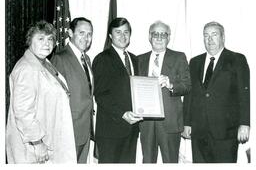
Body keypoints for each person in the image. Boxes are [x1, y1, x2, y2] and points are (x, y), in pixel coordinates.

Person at [6, 20, 76, 163]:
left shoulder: (44, 62)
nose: (47, 43)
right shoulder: (26, 69)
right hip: (35, 149)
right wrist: (38, 144)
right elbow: (23, 112)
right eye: (41, 39)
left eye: (50, 39)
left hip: (49, 139)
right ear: (29, 41)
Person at [182, 21, 250, 163]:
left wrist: (245, 123)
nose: (210, 39)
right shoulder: (194, 62)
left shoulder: (237, 59)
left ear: (223, 37)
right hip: (199, 131)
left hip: (226, 132)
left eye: (214, 35)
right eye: (206, 35)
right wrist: (186, 122)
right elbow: (189, 95)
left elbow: (244, 94)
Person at [138, 21, 191, 163]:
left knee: (170, 161)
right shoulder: (139, 59)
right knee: (147, 161)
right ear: (150, 37)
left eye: (163, 34)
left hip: (170, 121)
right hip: (146, 122)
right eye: (156, 34)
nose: (159, 38)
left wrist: (171, 85)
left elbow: (187, 86)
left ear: (169, 38)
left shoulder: (179, 57)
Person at [92, 17, 143, 163]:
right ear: (110, 35)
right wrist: (122, 114)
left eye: (126, 32)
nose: (123, 36)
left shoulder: (134, 59)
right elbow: (100, 95)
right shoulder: (102, 59)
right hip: (110, 130)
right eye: (118, 32)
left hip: (132, 129)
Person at [51, 17, 94, 163]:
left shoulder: (87, 59)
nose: (86, 38)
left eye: (89, 34)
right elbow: (54, 100)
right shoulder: (60, 58)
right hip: (68, 131)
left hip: (85, 128)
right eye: (81, 33)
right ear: (70, 32)